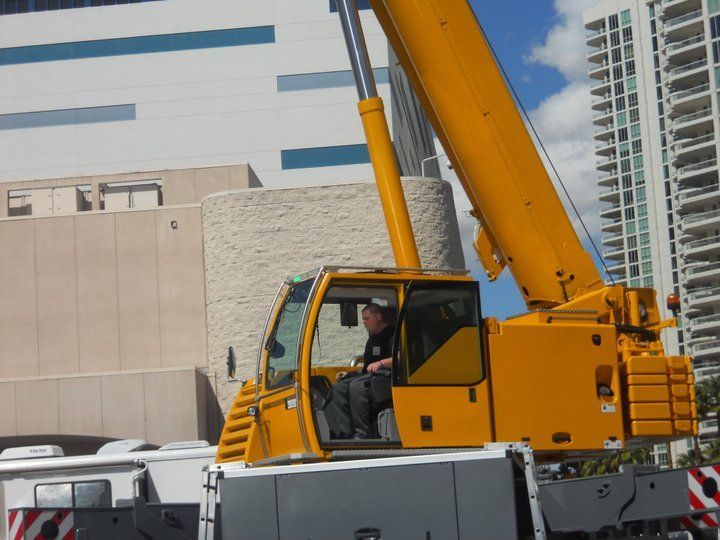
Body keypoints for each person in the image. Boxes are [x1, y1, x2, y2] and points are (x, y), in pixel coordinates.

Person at [324, 303, 394, 439]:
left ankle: (362, 433)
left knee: (356, 386)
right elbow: (367, 366)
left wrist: (380, 363)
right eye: (363, 319)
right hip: (370, 376)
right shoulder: (372, 339)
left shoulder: (392, 334)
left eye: (366, 319)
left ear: (378, 317)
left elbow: (400, 357)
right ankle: (344, 432)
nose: (364, 322)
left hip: (387, 375)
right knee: (338, 388)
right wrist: (350, 374)